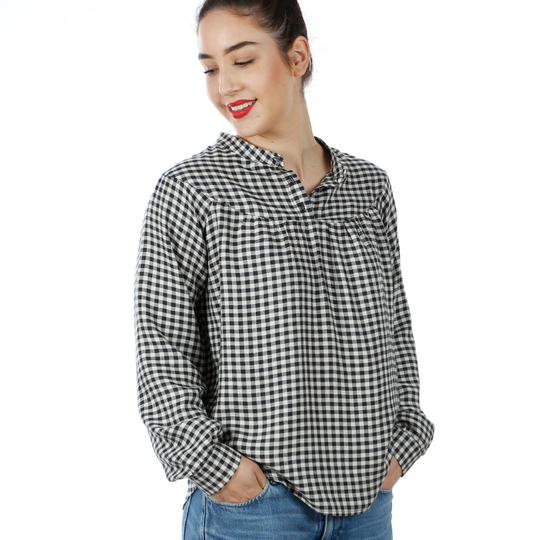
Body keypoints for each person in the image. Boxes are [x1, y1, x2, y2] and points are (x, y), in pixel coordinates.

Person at [134, 0, 434, 538]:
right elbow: (163, 348)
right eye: (210, 68)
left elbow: (396, 329)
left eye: (242, 60)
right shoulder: (192, 190)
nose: (224, 86)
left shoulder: (368, 188)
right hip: (254, 509)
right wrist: (215, 467)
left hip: (368, 502)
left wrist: (403, 441)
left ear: (297, 56)